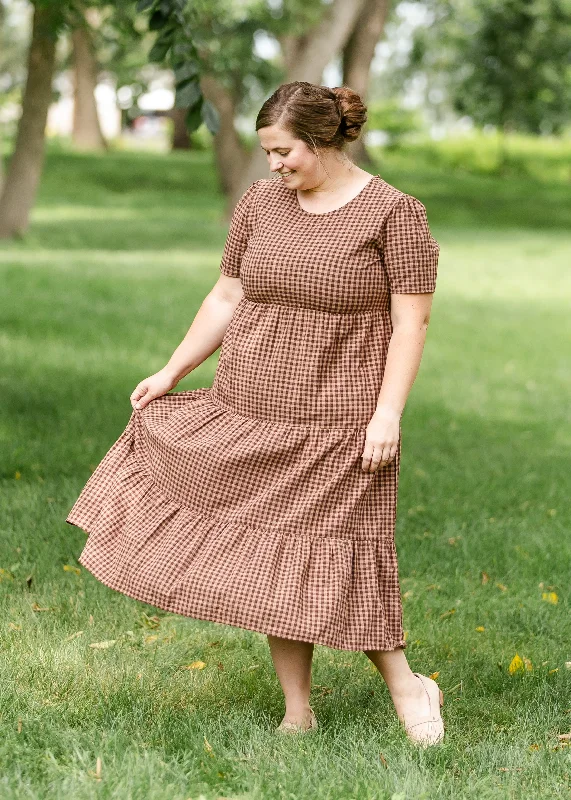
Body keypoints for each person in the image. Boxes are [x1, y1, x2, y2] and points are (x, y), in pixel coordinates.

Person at [66, 80, 444, 747]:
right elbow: (226, 294)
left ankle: (407, 686)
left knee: (342, 553)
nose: (273, 166)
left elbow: (409, 324)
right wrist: (171, 370)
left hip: (339, 418)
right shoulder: (262, 203)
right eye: (267, 152)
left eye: (283, 152)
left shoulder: (393, 214)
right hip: (252, 404)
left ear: (323, 140)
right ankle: (297, 710)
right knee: (277, 553)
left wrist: (387, 415)